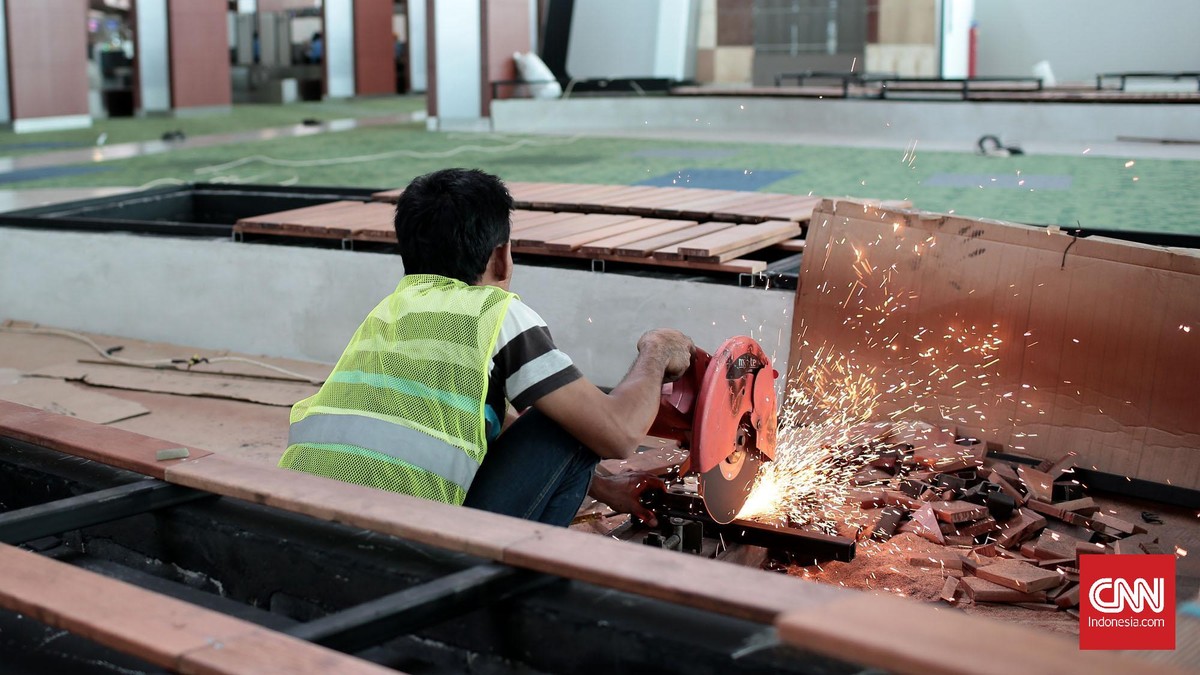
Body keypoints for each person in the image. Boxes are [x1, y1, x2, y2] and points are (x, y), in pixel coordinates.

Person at [279, 168, 694, 527]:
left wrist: (603, 486)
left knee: (540, 416)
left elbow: (475, 422)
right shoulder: (494, 311)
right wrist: (656, 349)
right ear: (501, 256)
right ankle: (521, 583)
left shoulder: (387, 312)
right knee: (569, 423)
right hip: (411, 552)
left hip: (300, 524)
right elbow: (618, 434)